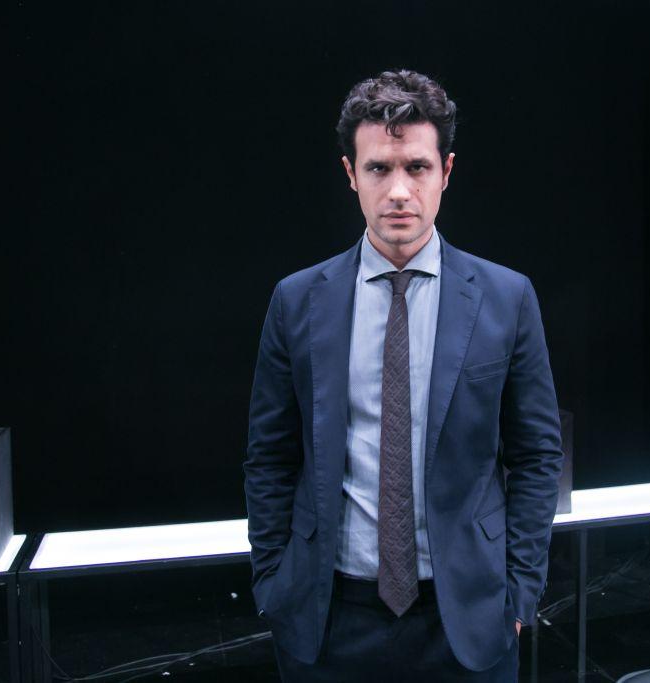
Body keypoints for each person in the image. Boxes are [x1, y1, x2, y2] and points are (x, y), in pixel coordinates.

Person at [244, 68, 564, 681]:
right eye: (378, 168)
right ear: (350, 174)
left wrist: (520, 594)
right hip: (327, 617)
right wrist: (272, 582)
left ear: (446, 171)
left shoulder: (506, 297)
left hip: (467, 615)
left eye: (416, 167)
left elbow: (537, 454)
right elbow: (269, 456)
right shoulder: (297, 300)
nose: (398, 191)